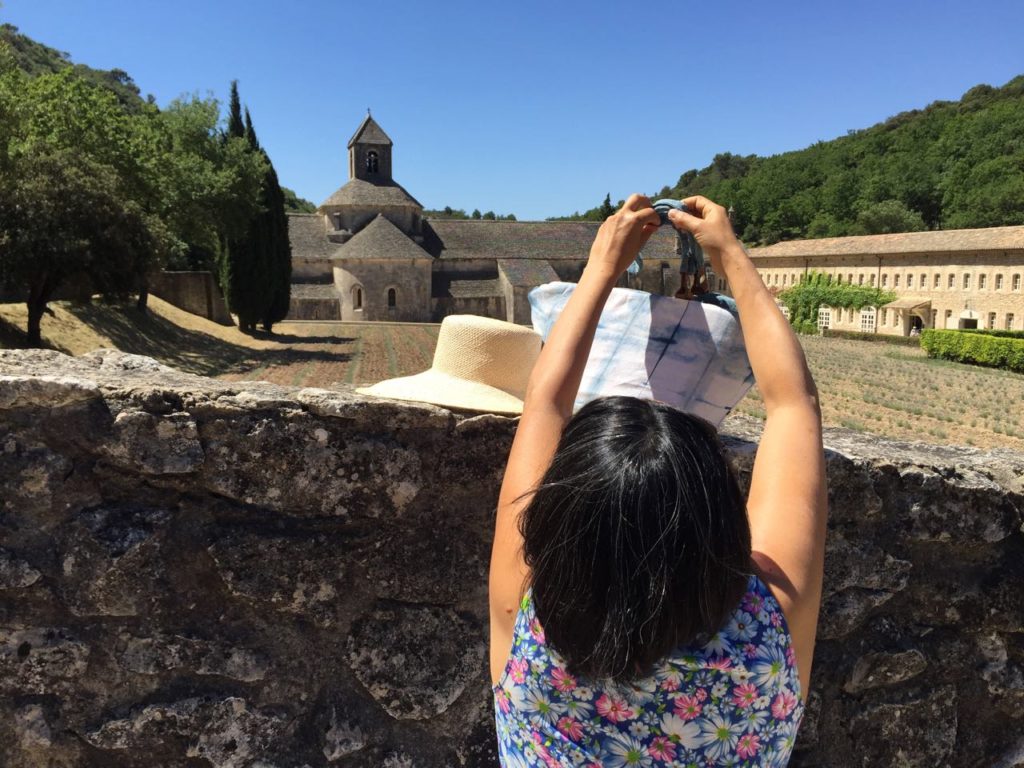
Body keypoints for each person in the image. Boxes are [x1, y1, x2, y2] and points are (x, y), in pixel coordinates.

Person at [489, 194, 827, 766]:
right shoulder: (770, 631)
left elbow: (545, 404)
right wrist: (732, 257)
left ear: (554, 514)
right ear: (720, 519)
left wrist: (601, 267)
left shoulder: (525, 615)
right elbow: (794, 405)